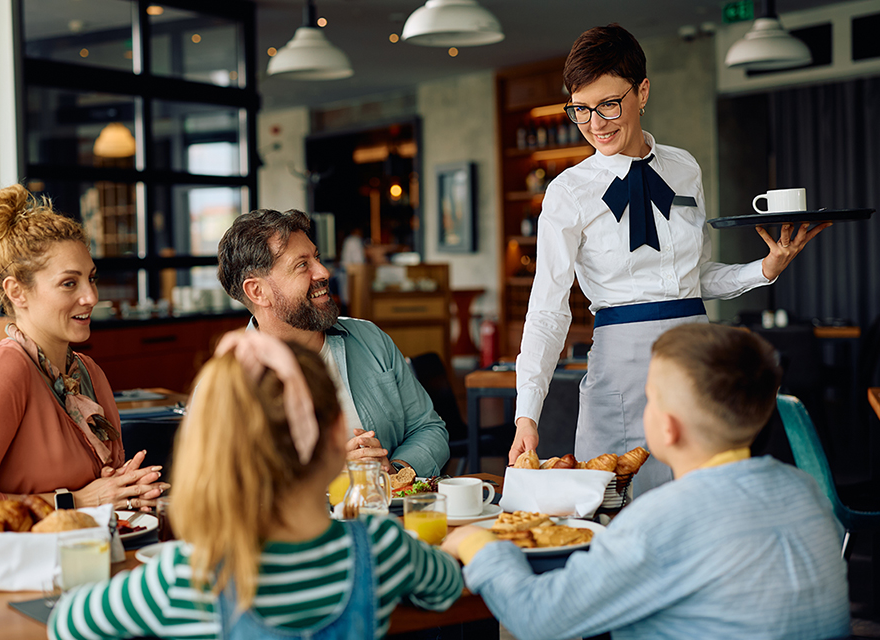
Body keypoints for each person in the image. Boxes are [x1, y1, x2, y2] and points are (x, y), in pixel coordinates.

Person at [510, 24, 830, 494]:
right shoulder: (568, 193)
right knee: (615, 506)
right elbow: (547, 310)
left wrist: (764, 270)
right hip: (620, 368)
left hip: (696, 362)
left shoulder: (684, 168)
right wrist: (526, 412)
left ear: (642, 92)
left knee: (702, 500)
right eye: (581, 109)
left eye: (608, 104)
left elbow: (693, 278)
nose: (595, 123)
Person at [444, 323, 850, 639]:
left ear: (668, 428)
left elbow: (539, 616)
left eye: (650, 397)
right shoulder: (805, 492)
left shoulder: (662, 518)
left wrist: (479, 545)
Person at [47, 331, 463, 640]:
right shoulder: (381, 548)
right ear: (340, 435)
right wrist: (466, 544)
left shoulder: (179, 579)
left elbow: (67, 625)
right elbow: (446, 587)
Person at [0, 184, 168, 518]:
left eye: (91, 279)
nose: (91, 297)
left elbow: (105, 493)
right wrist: (77, 501)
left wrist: (128, 489)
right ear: (17, 291)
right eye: (69, 283)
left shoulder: (89, 373)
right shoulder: (1, 371)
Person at [216, 209, 450, 476]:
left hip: (393, 515)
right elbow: (227, 490)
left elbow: (429, 428)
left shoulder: (370, 339)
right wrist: (329, 476)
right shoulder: (226, 384)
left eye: (316, 257)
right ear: (257, 291)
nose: (324, 271)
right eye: (302, 265)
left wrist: (395, 472)